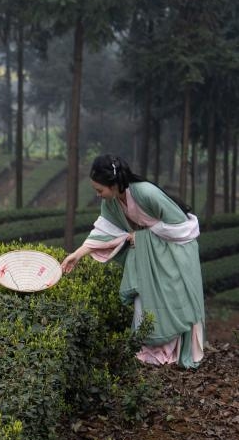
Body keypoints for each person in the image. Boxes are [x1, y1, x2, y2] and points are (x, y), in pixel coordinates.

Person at [60, 154, 204, 368]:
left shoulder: (146, 192)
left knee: (173, 297)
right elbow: (104, 230)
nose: (98, 195)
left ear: (115, 184)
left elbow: (182, 228)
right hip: (149, 255)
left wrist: (144, 236)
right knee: (142, 297)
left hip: (174, 251)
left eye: (100, 190)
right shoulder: (112, 202)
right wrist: (78, 254)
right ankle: (147, 349)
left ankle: (175, 350)